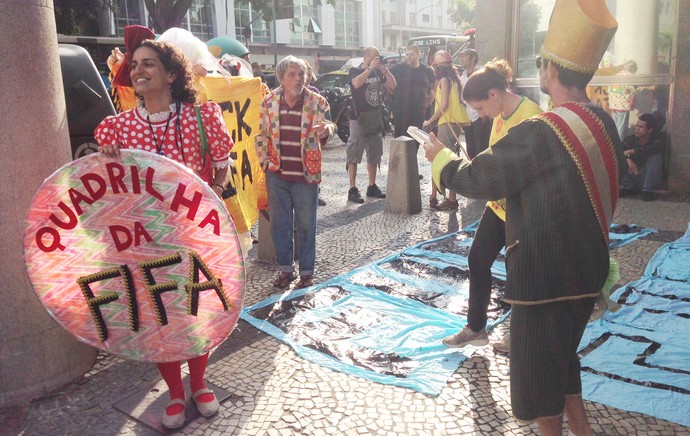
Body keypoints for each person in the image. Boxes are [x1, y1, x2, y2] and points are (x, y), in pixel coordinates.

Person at [422, 0, 624, 433]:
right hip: (588, 271)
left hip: (544, 281)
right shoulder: (604, 122)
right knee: (564, 359)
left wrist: (440, 159)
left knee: (537, 387)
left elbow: (480, 178)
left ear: (551, 71)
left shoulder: (544, 130)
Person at [94, 39, 233, 429]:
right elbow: (105, 185)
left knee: (197, 311)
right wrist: (105, 159)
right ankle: (174, 392)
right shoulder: (116, 128)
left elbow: (222, 167)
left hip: (194, 236)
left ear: (171, 74)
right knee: (158, 318)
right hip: (146, 240)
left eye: (149, 64)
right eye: (135, 65)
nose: (138, 70)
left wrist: (215, 192)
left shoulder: (202, 118)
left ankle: (200, 384)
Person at [441, 59, 543, 354]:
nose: (480, 115)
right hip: (498, 207)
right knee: (477, 259)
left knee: (519, 274)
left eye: (481, 107)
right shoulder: (499, 116)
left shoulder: (531, 117)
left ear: (494, 95)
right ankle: (476, 328)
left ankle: (520, 335)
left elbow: (529, 171)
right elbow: (494, 159)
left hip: (522, 212)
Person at [255, 56, 336, 289]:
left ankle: (307, 273)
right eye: (292, 74)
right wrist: (265, 162)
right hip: (277, 174)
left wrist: (327, 130)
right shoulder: (268, 102)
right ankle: (285, 271)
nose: (298, 78)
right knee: (279, 225)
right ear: (281, 78)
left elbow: (331, 125)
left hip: (305, 175)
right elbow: (261, 135)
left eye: (301, 74)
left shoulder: (317, 101)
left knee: (306, 224)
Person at [346, 46, 397, 203]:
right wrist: (369, 68)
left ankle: (372, 185)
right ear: (367, 56)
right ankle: (352, 188)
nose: (378, 59)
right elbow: (356, 84)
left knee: (374, 153)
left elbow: (393, 86)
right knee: (354, 153)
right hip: (358, 117)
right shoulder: (354, 70)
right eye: (375, 56)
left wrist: (384, 70)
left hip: (375, 117)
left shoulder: (377, 72)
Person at [423, 50, 469, 211]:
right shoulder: (451, 79)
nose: (434, 69)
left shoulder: (444, 79)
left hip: (447, 124)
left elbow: (444, 106)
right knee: (441, 159)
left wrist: (429, 120)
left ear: (439, 66)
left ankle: (450, 199)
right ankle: (434, 196)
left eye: (435, 66)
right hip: (449, 124)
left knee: (444, 160)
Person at [389, 45, 434, 138]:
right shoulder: (398, 69)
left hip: (419, 112)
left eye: (412, 54)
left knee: (416, 139)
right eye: (407, 54)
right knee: (401, 139)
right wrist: (391, 92)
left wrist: (430, 100)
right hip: (401, 111)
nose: (408, 57)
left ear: (419, 55)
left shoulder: (426, 70)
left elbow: (435, 85)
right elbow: (386, 81)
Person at [620, 112, 667, 201]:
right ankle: (628, 188)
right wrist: (628, 158)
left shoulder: (659, 138)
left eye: (640, 127)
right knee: (622, 157)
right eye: (637, 125)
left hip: (651, 178)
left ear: (650, 130)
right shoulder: (630, 139)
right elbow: (618, 151)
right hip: (634, 175)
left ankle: (647, 190)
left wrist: (632, 151)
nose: (637, 128)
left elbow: (653, 149)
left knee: (656, 156)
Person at [458, 48, 493, 158]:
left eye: (464, 56)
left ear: (472, 58)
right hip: (468, 116)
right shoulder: (462, 76)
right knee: (470, 146)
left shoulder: (482, 72)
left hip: (482, 115)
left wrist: (486, 111)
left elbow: (489, 91)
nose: (461, 59)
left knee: (482, 145)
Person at [608, 59, 637, 140]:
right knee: (622, 127)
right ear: (633, 68)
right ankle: (621, 145)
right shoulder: (629, 76)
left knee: (615, 125)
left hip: (613, 104)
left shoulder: (616, 75)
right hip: (623, 105)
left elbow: (609, 89)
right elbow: (633, 90)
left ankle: (614, 142)